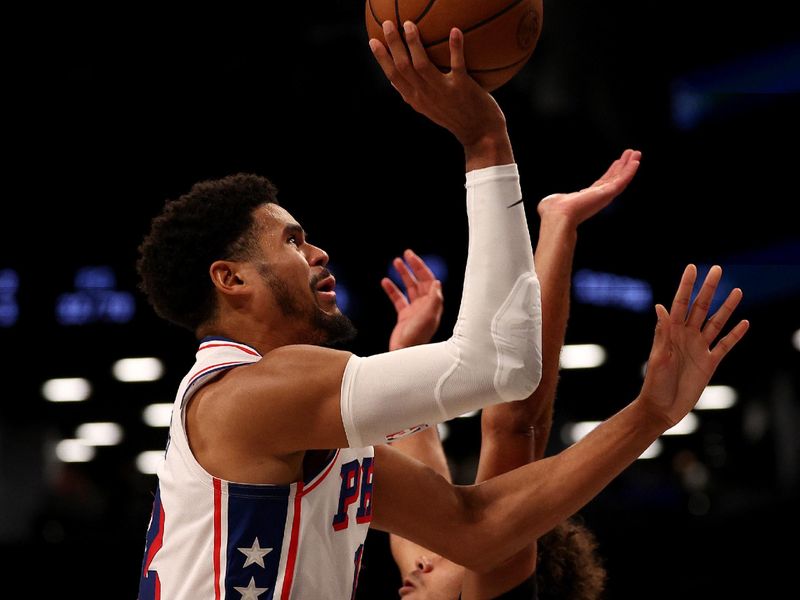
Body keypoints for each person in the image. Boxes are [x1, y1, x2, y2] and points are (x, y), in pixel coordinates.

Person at [135, 20, 748, 600]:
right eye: (293, 241)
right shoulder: (250, 395)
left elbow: (475, 527)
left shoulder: (299, 421)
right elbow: (500, 366)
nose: (318, 251)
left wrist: (649, 415)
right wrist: (486, 142)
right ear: (231, 278)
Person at [383, 150, 641, 599]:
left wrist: (404, 352)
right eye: (447, 554)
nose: (420, 560)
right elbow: (514, 423)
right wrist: (559, 227)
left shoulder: (436, 568)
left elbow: (421, 488)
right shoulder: (493, 575)